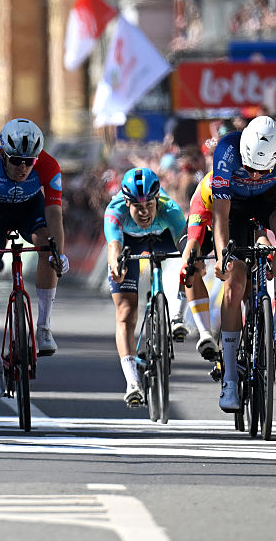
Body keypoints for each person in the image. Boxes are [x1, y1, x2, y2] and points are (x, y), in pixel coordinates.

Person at [211, 115, 276, 412]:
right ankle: (230, 379)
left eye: (264, 169)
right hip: (235, 207)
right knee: (234, 286)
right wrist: (222, 256)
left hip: (270, 200)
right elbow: (220, 214)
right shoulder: (226, 151)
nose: (255, 175)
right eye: (250, 168)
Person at [0, 118, 67, 398]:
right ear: (3, 154)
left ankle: (44, 327)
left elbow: (55, 214)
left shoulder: (49, 165)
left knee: (48, 249)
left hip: (29, 210)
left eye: (29, 162)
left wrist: (58, 253)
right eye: (16, 161)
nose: (23, 168)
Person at [104, 168, 186, 407]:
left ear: (156, 199)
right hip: (129, 242)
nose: (144, 211)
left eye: (149, 204)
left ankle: (177, 315)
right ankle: (132, 382)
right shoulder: (115, 211)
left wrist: (192, 263)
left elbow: (187, 244)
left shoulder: (169, 208)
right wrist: (116, 267)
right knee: (126, 312)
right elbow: (114, 246)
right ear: (126, 202)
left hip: (163, 237)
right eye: (137, 206)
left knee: (192, 260)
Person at [179, 171, 222, 362]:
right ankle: (205, 333)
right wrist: (190, 264)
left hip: (233, 224)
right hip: (204, 227)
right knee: (192, 267)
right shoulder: (202, 194)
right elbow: (193, 240)